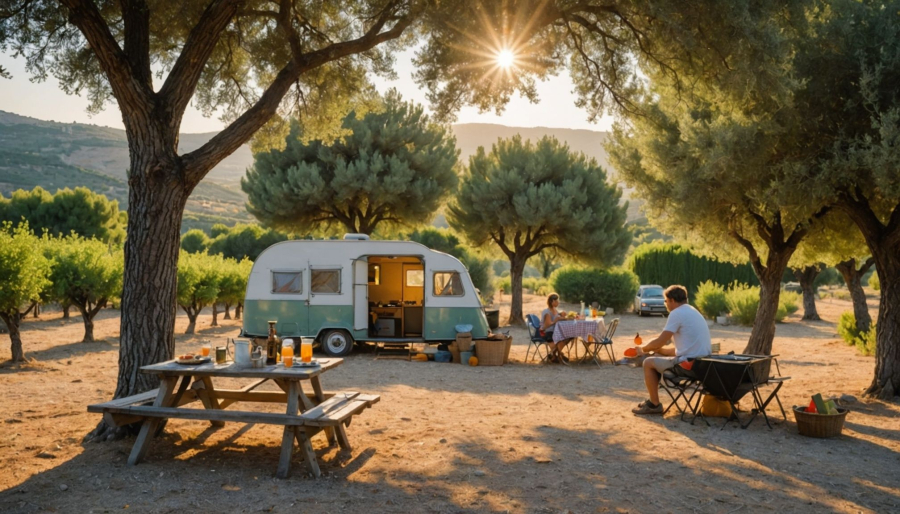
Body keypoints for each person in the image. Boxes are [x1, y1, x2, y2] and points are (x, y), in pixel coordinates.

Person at [631, 285, 712, 415]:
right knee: (655, 357)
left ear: (672, 300)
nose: (666, 304)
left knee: (647, 363)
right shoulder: (693, 311)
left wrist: (643, 349)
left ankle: (654, 404)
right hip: (702, 365)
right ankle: (652, 401)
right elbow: (682, 349)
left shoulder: (676, 313)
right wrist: (660, 351)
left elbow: (660, 341)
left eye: (666, 301)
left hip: (687, 366)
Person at [541, 293, 570, 362]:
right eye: (557, 301)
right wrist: (555, 321)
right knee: (563, 338)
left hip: (556, 331)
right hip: (548, 332)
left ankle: (554, 354)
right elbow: (546, 326)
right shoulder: (547, 312)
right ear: (552, 302)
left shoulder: (555, 310)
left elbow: (557, 317)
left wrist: (562, 316)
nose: (558, 302)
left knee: (569, 336)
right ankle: (557, 355)